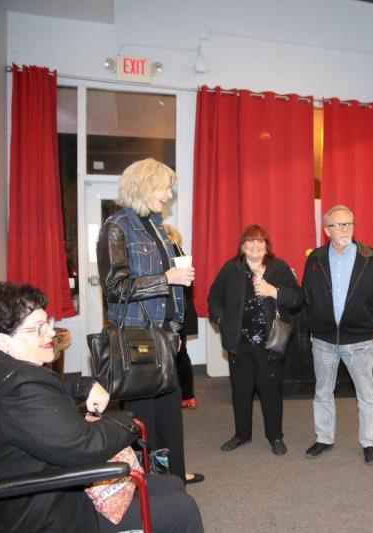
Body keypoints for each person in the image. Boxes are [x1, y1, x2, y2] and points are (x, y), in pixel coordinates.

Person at [0, 282, 203, 533]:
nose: (51, 333)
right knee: (182, 508)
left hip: (25, 497)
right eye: (39, 328)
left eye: (49, 322)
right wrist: (126, 423)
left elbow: (49, 389)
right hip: (44, 515)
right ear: (3, 341)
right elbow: (86, 446)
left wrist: (84, 386)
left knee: (171, 483)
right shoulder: (20, 388)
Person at [96, 158, 202, 484]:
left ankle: (172, 474)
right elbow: (115, 288)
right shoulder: (116, 227)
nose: (169, 195)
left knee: (169, 415)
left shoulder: (156, 225)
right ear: (144, 185)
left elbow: (170, 290)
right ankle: (151, 483)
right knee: (146, 418)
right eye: (165, 187)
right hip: (138, 338)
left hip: (163, 336)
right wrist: (166, 278)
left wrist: (175, 329)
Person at [302, 205, 373, 465]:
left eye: (349, 224)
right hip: (324, 339)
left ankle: (369, 442)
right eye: (338, 225)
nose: (345, 229)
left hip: (359, 339)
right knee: (323, 392)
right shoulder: (315, 258)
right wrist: (313, 327)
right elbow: (308, 295)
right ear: (327, 230)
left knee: (366, 393)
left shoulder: (370, 257)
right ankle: (324, 437)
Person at [207, 224, 303, 455]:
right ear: (242, 247)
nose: (255, 246)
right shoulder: (231, 269)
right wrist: (223, 320)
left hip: (269, 342)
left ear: (267, 246)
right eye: (250, 241)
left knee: (270, 390)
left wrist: (274, 292)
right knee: (241, 390)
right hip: (240, 342)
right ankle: (242, 435)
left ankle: (275, 436)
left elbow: (297, 297)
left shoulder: (278, 268)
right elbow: (214, 298)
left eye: (260, 241)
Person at [163, 223, 199, 409]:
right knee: (178, 354)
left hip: (176, 315)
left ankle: (187, 394)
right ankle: (184, 394)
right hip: (174, 314)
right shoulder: (179, 255)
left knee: (179, 354)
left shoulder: (178, 256)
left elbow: (184, 290)